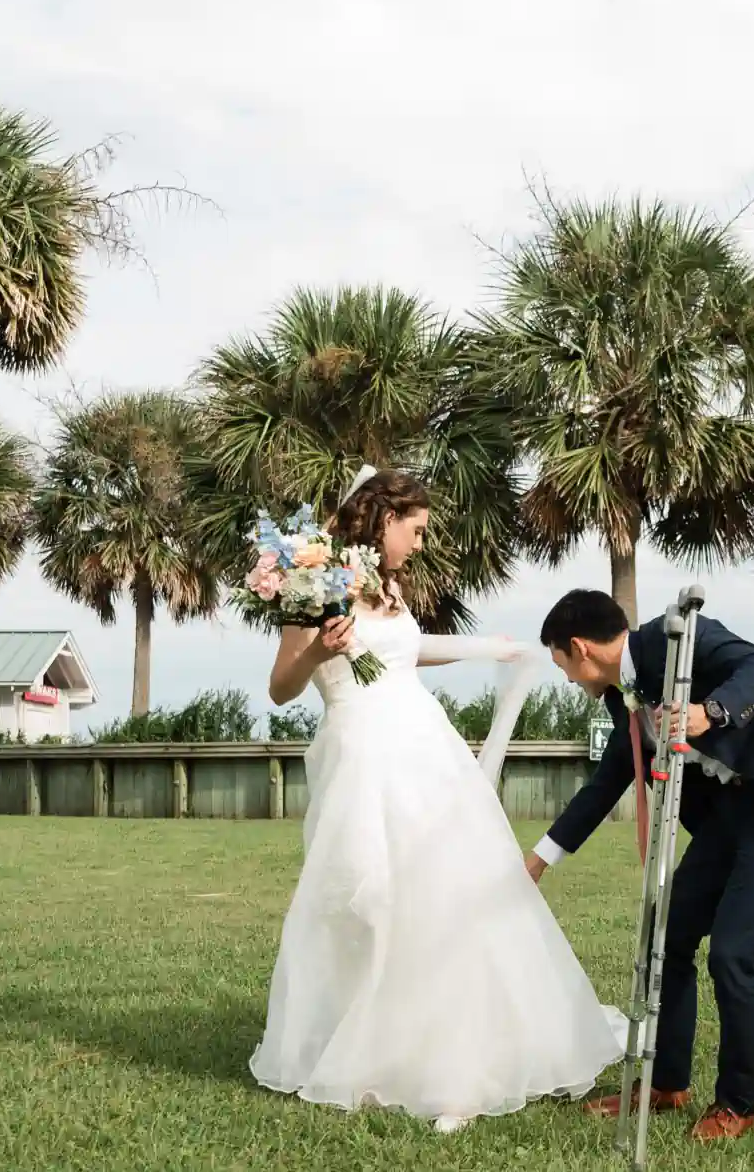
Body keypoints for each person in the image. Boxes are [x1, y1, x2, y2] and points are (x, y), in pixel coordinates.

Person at [251, 468, 624, 1133]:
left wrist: (493, 649)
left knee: (450, 897)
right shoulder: (311, 577)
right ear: (381, 517)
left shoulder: (389, 585)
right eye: (415, 529)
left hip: (425, 747)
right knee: (367, 902)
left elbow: (407, 651)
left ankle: (459, 1070)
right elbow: (282, 685)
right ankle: (371, 1054)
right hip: (362, 752)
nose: (420, 543)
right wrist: (317, 652)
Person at [527, 589, 754, 1143]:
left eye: (561, 663)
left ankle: (735, 1105)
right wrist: (540, 859)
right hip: (730, 808)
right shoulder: (621, 698)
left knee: (734, 951)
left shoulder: (675, 637)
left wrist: (712, 712)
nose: (564, 678)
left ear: (580, 648)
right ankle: (666, 1084)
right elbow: (608, 782)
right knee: (670, 932)